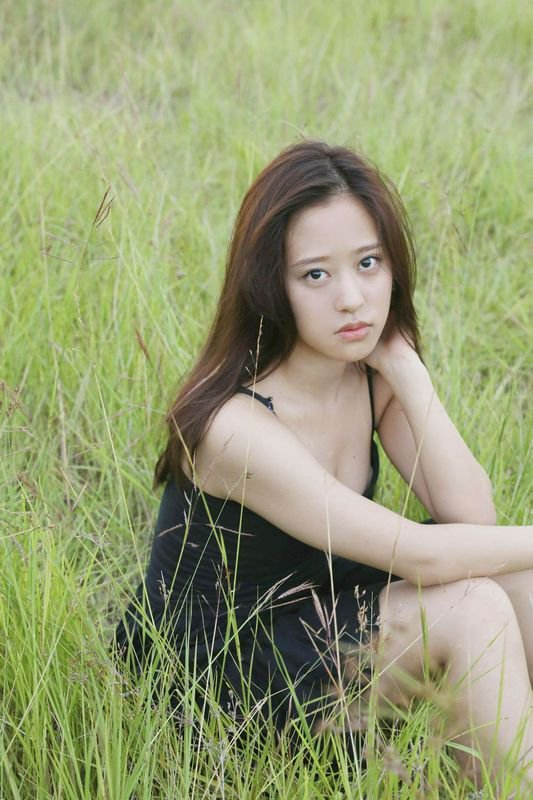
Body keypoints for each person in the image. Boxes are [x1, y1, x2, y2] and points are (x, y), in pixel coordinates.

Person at [114, 140, 532, 789]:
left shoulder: (365, 375)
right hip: (220, 674)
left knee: (517, 580)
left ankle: (487, 773)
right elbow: (423, 555)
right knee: (475, 606)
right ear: (269, 287)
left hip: (321, 616)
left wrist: (406, 370)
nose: (351, 298)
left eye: (368, 263)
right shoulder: (236, 427)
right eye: (315, 275)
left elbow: (472, 516)